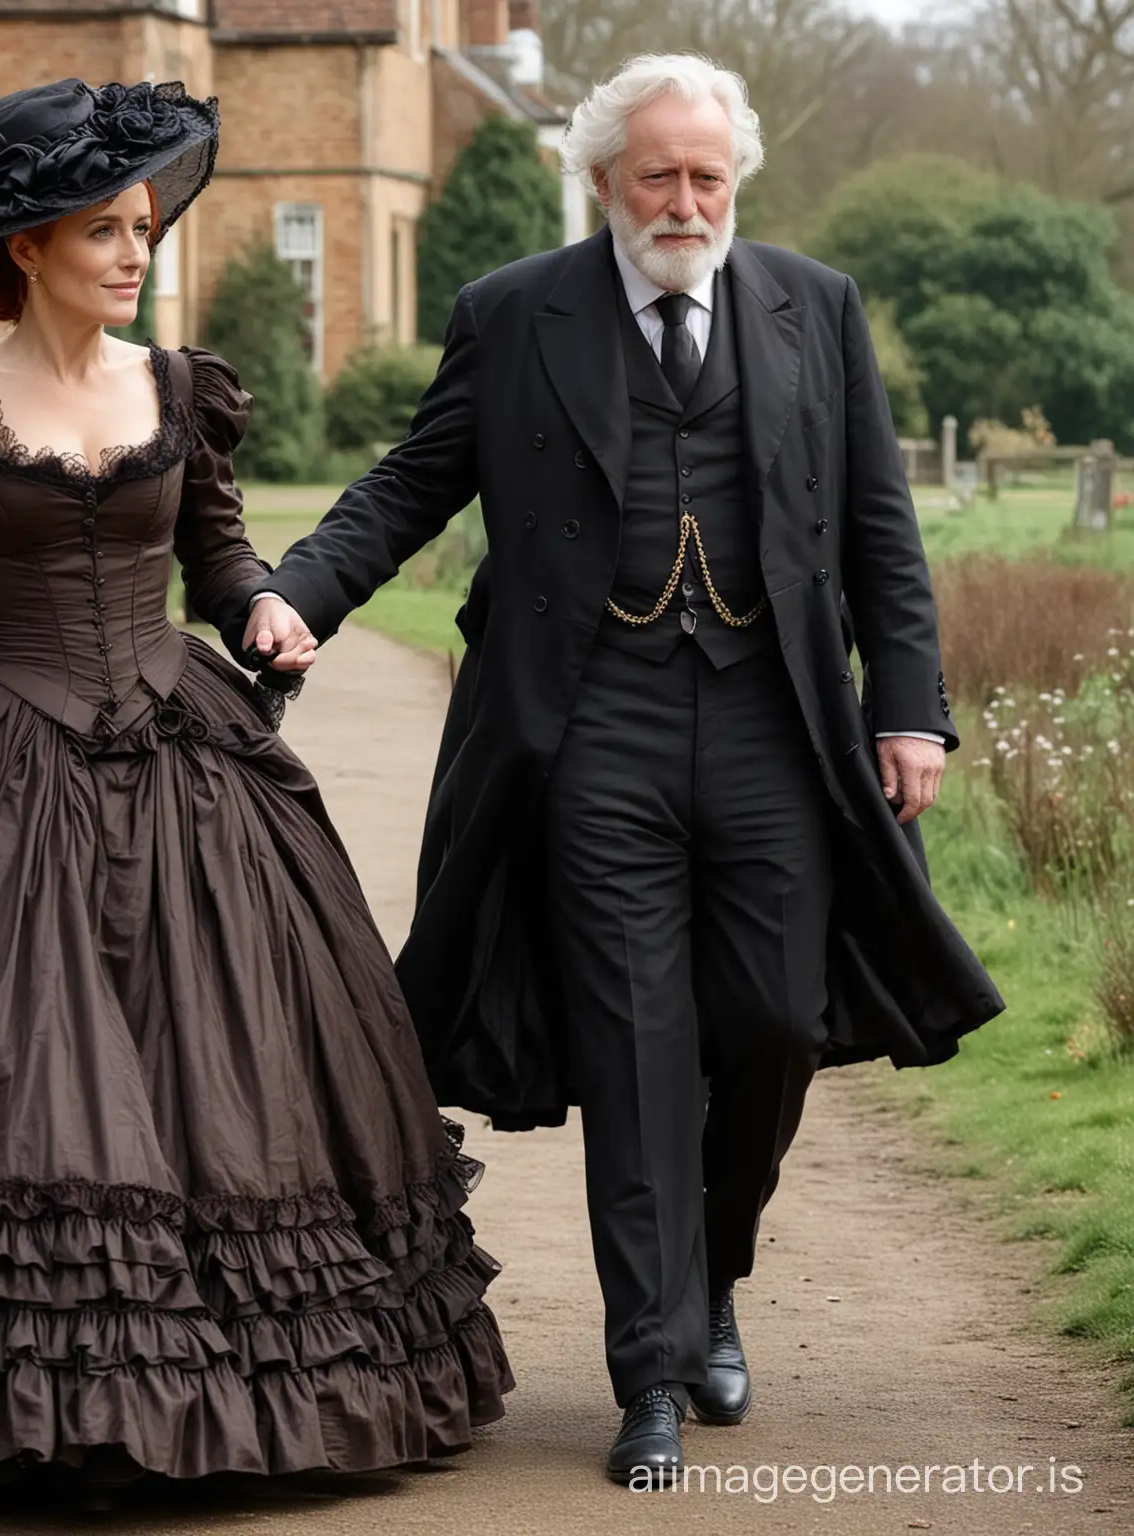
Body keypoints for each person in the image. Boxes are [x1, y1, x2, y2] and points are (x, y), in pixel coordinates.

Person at [0, 79, 511, 1501]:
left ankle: (238, 1385)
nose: (131, 254)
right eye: (98, 235)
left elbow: (218, 553)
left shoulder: (178, 388)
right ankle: (33, 1402)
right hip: (2, 754)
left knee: (233, 1074)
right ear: (25, 253)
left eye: (139, 230)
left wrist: (260, 608)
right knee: (14, 1082)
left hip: (188, 762)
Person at [244, 54, 1003, 1488]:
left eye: (708, 174)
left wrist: (912, 711)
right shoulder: (517, 314)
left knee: (777, 1019)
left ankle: (711, 1274)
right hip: (594, 731)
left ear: (736, 183)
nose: (685, 199)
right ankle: (650, 1368)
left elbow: (880, 530)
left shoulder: (814, 307)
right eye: (656, 173)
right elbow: (412, 483)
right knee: (636, 1050)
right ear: (601, 179)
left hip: (777, 725)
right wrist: (302, 592)